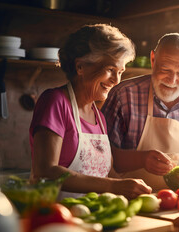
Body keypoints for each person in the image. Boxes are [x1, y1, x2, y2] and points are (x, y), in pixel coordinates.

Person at [29, 24, 152, 199]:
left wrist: (133, 188)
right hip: (58, 216)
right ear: (80, 67)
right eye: (110, 69)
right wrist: (113, 186)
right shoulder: (55, 101)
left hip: (94, 215)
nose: (116, 80)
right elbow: (45, 171)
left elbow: (107, 175)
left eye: (121, 72)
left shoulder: (99, 117)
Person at [101, 32, 179, 191]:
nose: (172, 80)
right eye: (166, 69)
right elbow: (103, 155)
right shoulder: (123, 95)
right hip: (132, 200)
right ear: (153, 59)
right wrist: (142, 159)